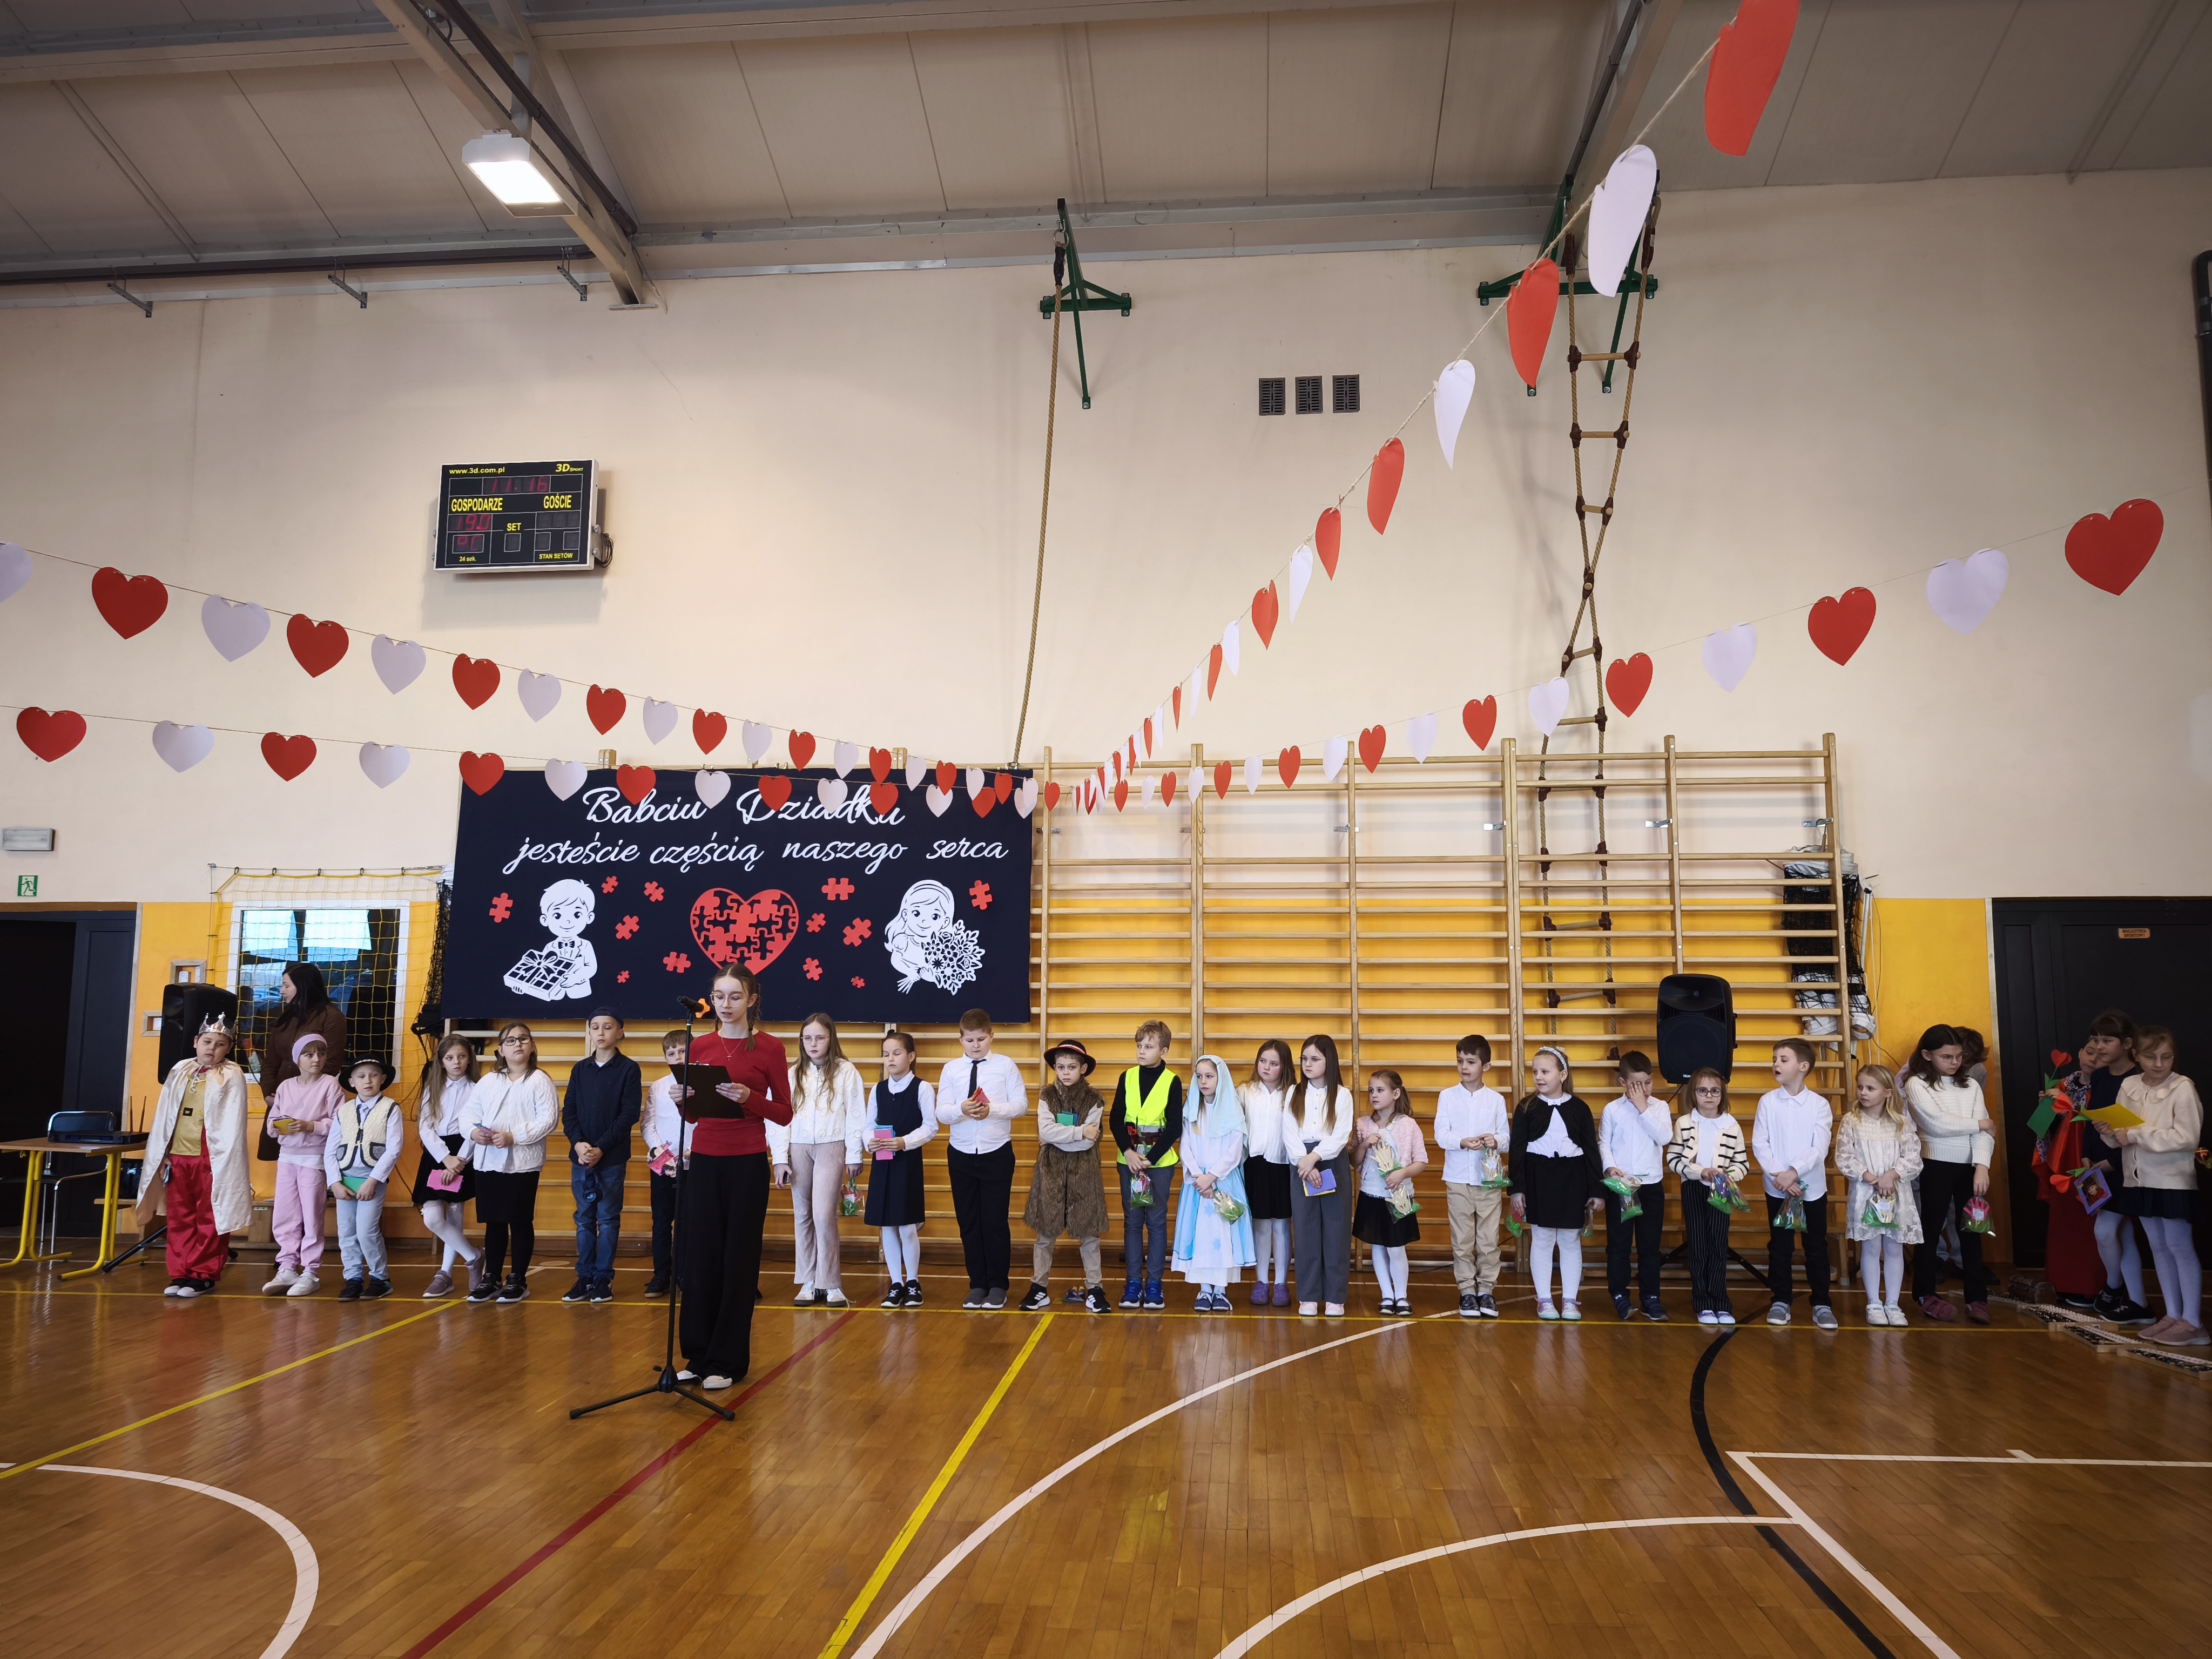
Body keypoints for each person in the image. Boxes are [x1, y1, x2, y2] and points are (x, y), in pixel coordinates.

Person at [680, 967, 793, 1386]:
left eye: (734, 996)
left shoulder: (770, 1048)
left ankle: (726, 1362)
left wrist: (751, 1098)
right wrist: (682, 1100)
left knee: (738, 1260)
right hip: (704, 1159)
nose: (725, 1005)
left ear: (752, 1000)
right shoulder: (700, 1045)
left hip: (746, 1160)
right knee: (701, 1257)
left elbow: (785, 1112)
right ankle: (697, 1356)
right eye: (719, 996)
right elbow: (693, 1116)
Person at [137, 1013, 252, 1298]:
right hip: (179, 1155)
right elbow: (166, 1115)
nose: (212, 1048)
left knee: (210, 1216)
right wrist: (164, 1152)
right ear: (196, 1042)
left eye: (220, 1044)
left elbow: (231, 1122)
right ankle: (180, 1273)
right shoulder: (180, 1070)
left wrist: (223, 1158)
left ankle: (203, 1274)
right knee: (180, 1217)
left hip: (211, 1157)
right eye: (207, 1042)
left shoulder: (231, 1074)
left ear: (229, 1049)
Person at [2107, 1027, 2204, 1345]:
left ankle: (2193, 1322)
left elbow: (2187, 1138)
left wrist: (2135, 1135)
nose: (2159, 1064)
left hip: (2173, 1181)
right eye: (2151, 1057)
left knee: (2180, 1247)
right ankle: (2173, 1315)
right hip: (2138, 1179)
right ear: (2136, 1056)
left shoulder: (2183, 1087)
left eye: (2166, 1057)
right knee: (2158, 1248)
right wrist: (2108, 1131)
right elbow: (2119, 1135)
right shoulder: (2129, 1085)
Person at [1900, 1023, 1994, 1324]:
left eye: (1959, 1056)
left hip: (1971, 1167)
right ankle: (1925, 1294)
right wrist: (1980, 1124)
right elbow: (1936, 1124)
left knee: (1972, 1232)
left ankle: (1977, 1298)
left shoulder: (1971, 1086)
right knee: (1930, 1230)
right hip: (1935, 1165)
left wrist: (1982, 1166)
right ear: (1927, 1055)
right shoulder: (1917, 1084)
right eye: (1947, 1057)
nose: (1955, 1062)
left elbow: (1985, 1132)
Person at [770, 1013, 865, 1308]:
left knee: (824, 1216)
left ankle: (831, 1283)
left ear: (831, 1039)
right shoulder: (791, 1074)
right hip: (798, 1148)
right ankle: (809, 1281)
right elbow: (778, 1118)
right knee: (803, 1215)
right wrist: (780, 1158)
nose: (813, 1044)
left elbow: (856, 1114)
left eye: (820, 1038)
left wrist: (854, 1154)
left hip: (831, 1146)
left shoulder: (846, 1071)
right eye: (808, 1038)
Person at [463, 1020, 559, 1306]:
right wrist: (474, 1133)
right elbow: (469, 1115)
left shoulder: (539, 1080)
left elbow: (548, 1120)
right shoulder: (488, 1081)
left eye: (523, 1039)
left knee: (519, 1220)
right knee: (494, 1221)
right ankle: (491, 1277)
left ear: (532, 1047)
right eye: (510, 1040)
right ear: (501, 1050)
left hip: (523, 1163)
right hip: (488, 1162)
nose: (517, 1044)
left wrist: (514, 1137)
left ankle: (518, 1279)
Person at [936, 1009, 1026, 1311]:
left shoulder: (1005, 1066)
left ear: (991, 1037)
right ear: (960, 1039)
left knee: (995, 1221)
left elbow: (1021, 1105)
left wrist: (993, 1110)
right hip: (961, 1153)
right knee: (969, 1222)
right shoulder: (951, 1070)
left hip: (996, 1151)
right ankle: (977, 1284)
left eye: (981, 1039)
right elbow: (941, 1112)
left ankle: (998, 1285)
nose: (976, 1045)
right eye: (970, 1040)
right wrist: (961, 1109)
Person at [1508, 1046, 1603, 1321]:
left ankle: (1570, 1301)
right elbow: (1517, 1150)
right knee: (1542, 1238)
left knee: (1570, 1239)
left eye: (1545, 1072)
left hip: (1573, 1178)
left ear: (1563, 1075)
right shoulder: (1526, 1107)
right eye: (1535, 1072)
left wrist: (1597, 1190)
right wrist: (1517, 1189)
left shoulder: (1580, 1108)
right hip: (1539, 1177)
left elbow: (1591, 1151)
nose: (1539, 1077)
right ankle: (1545, 1300)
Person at [1021, 1038, 1111, 1313]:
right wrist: (1079, 1132)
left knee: (1089, 1236)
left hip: (1085, 1175)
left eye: (1072, 1067)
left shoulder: (1095, 1100)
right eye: (1061, 1067)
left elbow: (1086, 1143)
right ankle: (1038, 1288)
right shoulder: (1046, 1096)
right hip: (1050, 1174)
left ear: (1083, 1069)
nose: (1066, 1072)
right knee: (1045, 1235)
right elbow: (1047, 1131)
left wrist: (1057, 1137)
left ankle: (1095, 1289)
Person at [1754, 1038, 1838, 1331]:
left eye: (1783, 1059)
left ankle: (1822, 1303)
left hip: (1810, 1189)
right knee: (1780, 1247)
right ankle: (1781, 1300)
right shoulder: (1767, 1102)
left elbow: (1819, 1147)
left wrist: (1794, 1173)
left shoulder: (1819, 1105)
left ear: (1803, 1066)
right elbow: (1761, 1144)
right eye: (1774, 1059)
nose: (1776, 1064)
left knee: (1815, 1247)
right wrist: (1781, 1176)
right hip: (1778, 1189)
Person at [563, 1006, 640, 1305]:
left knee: (607, 1218)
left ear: (619, 1032)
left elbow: (629, 1115)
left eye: (607, 1027)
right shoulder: (580, 1069)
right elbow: (569, 1112)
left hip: (611, 1158)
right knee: (584, 1218)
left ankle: (603, 1278)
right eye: (595, 1027)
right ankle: (584, 1277)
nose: (601, 1032)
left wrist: (601, 1148)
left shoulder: (629, 1069)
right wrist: (579, 1144)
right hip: (581, 1158)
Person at [1835, 1063, 1921, 1327]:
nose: (1863, 1092)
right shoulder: (1852, 1121)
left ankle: (1893, 1304)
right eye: (1860, 1087)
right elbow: (1844, 1156)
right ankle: (1874, 1303)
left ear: (1887, 1092)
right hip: (1866, 1193)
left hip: (1896, 1193)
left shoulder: (1901, 1122)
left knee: (1894, 1248)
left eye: (1870, 1088)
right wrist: (1870, 1177)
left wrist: (1892, 1175)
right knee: (1871, 1247)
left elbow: (1913, 1158)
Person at [1110, 1019, 1184, 1310]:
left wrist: (1150, 1160)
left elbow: (1174, 1127)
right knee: (1132, 1222)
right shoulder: (1127, 1077)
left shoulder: (1172, 1081)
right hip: (1128, 1162)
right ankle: (1132, 1282)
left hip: (1159, 1164)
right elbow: (1116, 1118)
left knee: (1156, 1222)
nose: (1142, 1051)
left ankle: (1154, 1283)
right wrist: (1128, 1152)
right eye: (1139, 1046)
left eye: (1149, 1047)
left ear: (1163, 1051)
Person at [1435, 1033, 1508, 1320]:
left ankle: (1487, 1290)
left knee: (1489, 1240)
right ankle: (1467, 1290)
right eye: (1460, 1061)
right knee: (1462, 1239)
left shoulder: (1496, 1100)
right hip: (1457, 1179)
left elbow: (1507, 1138)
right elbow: (1441, 1135)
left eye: (1471, 1062)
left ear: (1485, 1066)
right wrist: (1462, 1142)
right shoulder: (1447, 1096)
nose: (1464, 1067)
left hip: (1489, 1180)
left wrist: (1495, 1140)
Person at [1174, 1053, 1255, 1312]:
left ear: (1221, 1078)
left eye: (1209, 1076)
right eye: (1199, 1077)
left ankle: (1220, 1290)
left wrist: (1212, 1177)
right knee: (1201, 1236)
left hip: (1224, 1182)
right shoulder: (1191, 1109)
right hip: (1197, 1186)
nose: (1204, 1081)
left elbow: (1235, 1150)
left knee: (1223, 1234)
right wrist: (1199, 1177)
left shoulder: (1232, 1110)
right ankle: (1204, 1290)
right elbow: (1186, 1146)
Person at [1669, 1067, 1749, 1325]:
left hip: (1722, 1188)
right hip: (1694, 1187)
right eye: (1703, 1091)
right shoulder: (1684, 1123)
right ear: (1693, 1094)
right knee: (1699, 1245)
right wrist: (1700, 1172)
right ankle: (1703, 1303)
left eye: (1715, 1091)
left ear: (1722, 1094)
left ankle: (1721, 1303)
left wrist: (1727, 1175)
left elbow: (1742, 1163)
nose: (1709, 1096)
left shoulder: (1731, 1125)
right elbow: (1673, 1159)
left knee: (1718, 1244)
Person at [262, 1033, 340, 1297]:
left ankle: (311, 1271)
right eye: (309, 1055)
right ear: (298, 1059)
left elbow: (340, 1122)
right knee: (285, 1214)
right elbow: (273, 1121)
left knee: (311, 1215)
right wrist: (278, 1126)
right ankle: (287, 1266)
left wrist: (310, 1126)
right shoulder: (285, 1086)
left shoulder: (330, 1084)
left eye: (321, 1054)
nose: (316, 1059)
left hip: (313, 1158)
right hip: (287, 1157)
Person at [1600, 1050, 1672, 1321]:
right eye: (1636, 1085)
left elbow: (1664, 1138)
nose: (1643, 1090)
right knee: (1619, 1246)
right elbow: (1604, 1143)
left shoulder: (1660, 1108)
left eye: (1648, 1083)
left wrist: (1643, 1107)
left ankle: (1651, 1297)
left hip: (1651, 1186)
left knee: (1649, 1247)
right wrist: (1610, 1167)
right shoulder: (1612, 1109)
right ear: (1622, 1082)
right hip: (1622, 1187)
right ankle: (1620, 1295)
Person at [866, 1030, 936, 1307]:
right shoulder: (878, 1090)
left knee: (907, 1227)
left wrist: (904, 1142)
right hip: (883, 1162)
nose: (891, 1059)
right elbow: (869, 1125)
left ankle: (913, 1282)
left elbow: (930, 1126)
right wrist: (869, 1142)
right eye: (886, 1055)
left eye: (896, 1053)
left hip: (907, 1162)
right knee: (887, 1226)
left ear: (911, 1056)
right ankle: (896, 1283)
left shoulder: (922, 1088)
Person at [1288, 1034, 1357, 1318]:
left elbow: (1341, 1135)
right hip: (1301, 1164)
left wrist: (1315, 1158)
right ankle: (1308, 1296)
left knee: (1336, 1231)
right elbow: (1289, 1132)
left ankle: (1335, 1298)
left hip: (1331, 1161)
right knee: (1305, 1231)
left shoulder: (1342, 1095)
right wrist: (1303, 1162)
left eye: (1315, 1059)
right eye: (1304, 1059)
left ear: (1330, 1061)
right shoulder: (1294, 1093)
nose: (1308, 1064)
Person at [411, 1034, 484, 1299]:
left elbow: (477, 1129)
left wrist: (458, 1162)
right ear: (441, 1062)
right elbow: (425, 1127)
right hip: (437, 1153)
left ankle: (445, 1274)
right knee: (432, 1218)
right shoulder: (433, 1089)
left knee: (455, 1215)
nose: (456, 1062)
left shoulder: (477, 1089)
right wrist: (445, 1159)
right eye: (450, 1058)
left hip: (463, 1154)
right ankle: (473, 1256)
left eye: (462, 1057)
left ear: (469, 1059)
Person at [325, 1056, 403, 1300]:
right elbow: (330, 1150)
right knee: (347, 1232)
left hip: (372, 1180)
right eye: (361, 1076)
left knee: (366, 1231)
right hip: (345, 1180)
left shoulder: (391, 1108)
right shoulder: (344, 1111)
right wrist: (334, 1183)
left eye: (373, 1075)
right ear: (352, 1082)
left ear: (383, 1079)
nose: (367, 1081)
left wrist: (373, 1181)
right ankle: (353, 1279)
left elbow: (394, 1149)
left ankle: (381, 1279)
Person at [255, 961, 347, 1165]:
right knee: (284, 1157)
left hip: (314, 1101)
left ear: (303, 986)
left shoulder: (332, 1018)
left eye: (286, 985)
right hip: (281, 1097)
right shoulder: (285, 1019)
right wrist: (270, 1093)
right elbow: (271, 1062)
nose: (282, 991)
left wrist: (301, 1093)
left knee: (313, 1160)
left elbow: (330, 1064)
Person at [1353, 1068, 1426, 1317]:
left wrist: (1402, 1174)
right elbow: (1354, 1161)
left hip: (1399, 1196)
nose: (1374, 1095)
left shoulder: (1408, 1125)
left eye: (1380, 1090)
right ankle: (1387, 1294)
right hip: (1371, 1194)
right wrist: (1364, 1145)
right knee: (1377, 1245)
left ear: (1396, 1094)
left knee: (1396, 1247)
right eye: (1371, 1090)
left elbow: (1421, 1161)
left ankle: (1401, 1295)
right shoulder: (1363, 1124)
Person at [1240, 1039, 1296, 1307]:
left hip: (1284, 1165)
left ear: (1284, 1067)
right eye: (1263, 1061)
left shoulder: (1294, 1094)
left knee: (1282, 1225)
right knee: (1261, 1225)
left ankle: (1281, 1283)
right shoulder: (1245, 1091)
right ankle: (1261, 1281)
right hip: (1255, 1164)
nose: (1266, 1067)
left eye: (1274, 1063)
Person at [641, 1031, 692, 1297]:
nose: (678, 1057)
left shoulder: (701, 1084)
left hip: (694, 1161)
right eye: (672, 1053)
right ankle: (662, 1273)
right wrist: (662, 1153)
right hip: (663, 1164)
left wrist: (691, 1152)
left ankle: (684, 1273)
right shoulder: (658, 1087)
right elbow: (648, 1124)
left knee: (687, 1221)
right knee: (662, 1220)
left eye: (683, 1051)